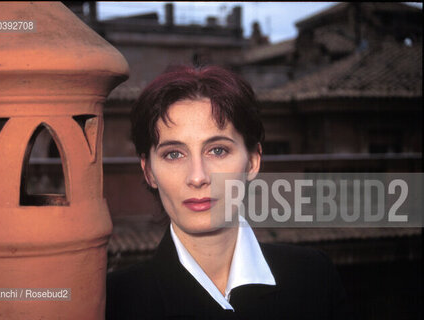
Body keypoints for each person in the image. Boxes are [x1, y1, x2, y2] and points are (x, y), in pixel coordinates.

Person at [106, 65, 352, 319]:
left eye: (218, 150)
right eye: (174, 154)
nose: (198, 177)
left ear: (253, 161)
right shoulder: (115, 302)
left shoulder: (314, 277)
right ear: (149, 172)